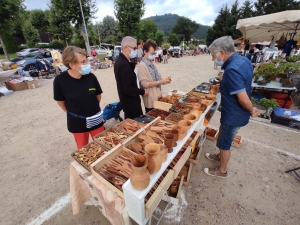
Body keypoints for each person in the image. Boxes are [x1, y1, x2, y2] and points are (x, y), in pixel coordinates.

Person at [204, 36, 259, 178]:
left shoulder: (232, 70)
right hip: (235, 113)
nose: (213, 59)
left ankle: (222, 170)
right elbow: (242, 80)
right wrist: (225, 80)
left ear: (222, 52)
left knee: (224, 143)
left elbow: (243, 99)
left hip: (233, 115)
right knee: (224, 139)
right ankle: (219, 156)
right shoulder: (244, 61)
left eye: (213, 55)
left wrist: (251, 109)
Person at [53, 46, 104, 149]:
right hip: (77, 122)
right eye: (83, 62)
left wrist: (91, 109)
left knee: (102, 147)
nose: (87, 64)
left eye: (86, 60)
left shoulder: (91, 77)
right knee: (83, 150)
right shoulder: (60, 81)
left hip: (95, 119)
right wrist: (75, 112)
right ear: (71, 64)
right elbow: (60, 102)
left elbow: (98, 96)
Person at [114, 36, 147, 119]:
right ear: (126, 48)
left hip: (128, 102)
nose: (136, 50)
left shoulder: (122, 61)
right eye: (134, 48)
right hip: (131, 103)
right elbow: (127, 88)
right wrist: (142, 91)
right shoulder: (123, 64)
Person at [137, 40, 171, 113]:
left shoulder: (152, 62)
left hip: (158, 97)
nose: (153, 55)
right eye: (152, 53)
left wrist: (164, 81)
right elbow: (144, 84)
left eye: (154, 53)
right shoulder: (142, 66)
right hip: (150, 100)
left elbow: (158, 75)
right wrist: (159, 82)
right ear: (145, 52)